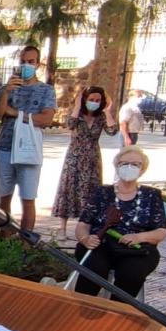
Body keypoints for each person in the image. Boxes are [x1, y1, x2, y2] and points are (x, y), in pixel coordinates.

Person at [72, 146, 166, 298]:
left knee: (132, 273)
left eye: (136, 164)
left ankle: (117, 314)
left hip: (136, 249)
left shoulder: (151, 195)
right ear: (116, 166)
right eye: (124, 163)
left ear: (143, 169)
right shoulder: (102, 192)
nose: (129, 167)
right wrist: (85, 239)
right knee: (93, 270)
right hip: (100, 245)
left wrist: (138, 237)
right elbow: (83, 225)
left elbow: (161, 231)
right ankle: (82, 311)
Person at [0, 45, 56, 232]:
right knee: (4, 197)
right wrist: (6, 93)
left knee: (28, 199)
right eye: (23, 61)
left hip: (29, 149)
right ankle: (4, 238)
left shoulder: (46, 90)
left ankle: (25, 244)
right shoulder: (7, 88)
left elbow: (45, 119)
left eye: (31, 62)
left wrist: (16, 114)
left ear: (38, 64)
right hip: (5, 147)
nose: (26, 65)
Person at [52, 86, 118, 241]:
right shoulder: (78, 115)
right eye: (91, 100)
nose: (94, 103)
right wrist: (77, 106)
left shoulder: (101, 117)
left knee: (91, 191)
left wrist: (108, 111)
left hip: (93, 159)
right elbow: (70, 124)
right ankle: (62, 228)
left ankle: (86, 227)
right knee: (68, 189)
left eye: (97, 100)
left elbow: (112, 131)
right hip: (74, 158)